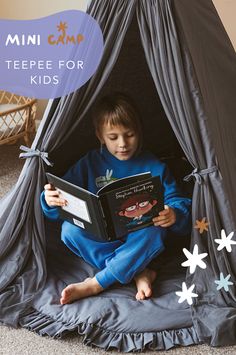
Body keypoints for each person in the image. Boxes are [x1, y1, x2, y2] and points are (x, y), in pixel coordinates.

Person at [41, 93, 191, 305]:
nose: (122, 144)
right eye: (113, 137)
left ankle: (97, 283)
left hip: (140, 235)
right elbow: (61, 195)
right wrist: (49, 199)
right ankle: (139, 270)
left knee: (153, 230)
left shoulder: (154, 165)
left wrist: (174, 214)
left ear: (139, 132)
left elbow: (178, 201)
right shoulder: (90, 162)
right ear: (100, 136)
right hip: (103, 236)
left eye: (129, 135)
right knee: (69, 231)